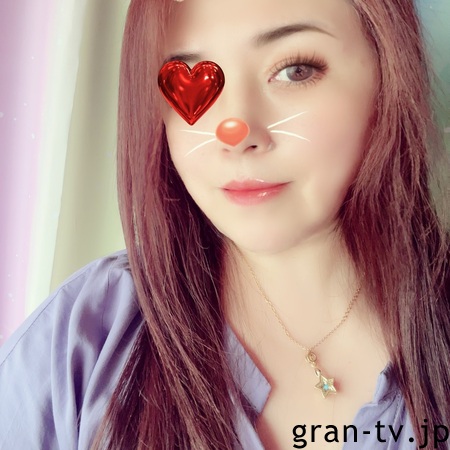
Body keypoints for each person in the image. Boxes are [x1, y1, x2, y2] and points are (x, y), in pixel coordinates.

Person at [0, 0, 449, 448]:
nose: (235, 133)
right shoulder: (83, 338)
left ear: (388, 74)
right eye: (187, 77)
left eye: (295, 70)